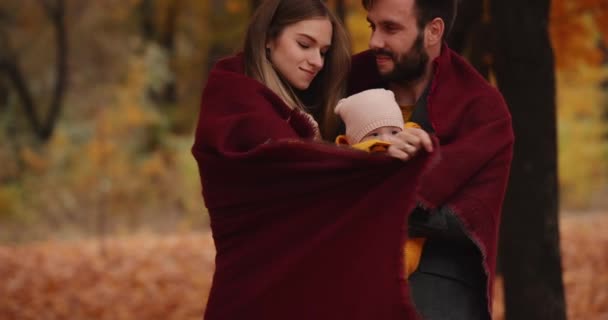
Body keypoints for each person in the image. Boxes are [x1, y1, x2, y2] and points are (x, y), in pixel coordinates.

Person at [192, 0, 435, 319]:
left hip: (289, 291)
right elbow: (301, 174)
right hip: (254, 294)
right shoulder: (239, 105)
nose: (316, 61)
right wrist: (380, 158)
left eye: (323, 51)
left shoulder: (293, 109)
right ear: (267, 38)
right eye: (304, 44)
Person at [349, 0, 514, 319]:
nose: (375, 42)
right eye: (373, 26)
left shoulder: (480, 109)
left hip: (438, 294)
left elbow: (465, 219)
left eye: (391, 28)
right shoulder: (349, 80)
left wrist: (362, 198)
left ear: (433, 31)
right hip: (344, 280)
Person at [334, 88, 428, 279]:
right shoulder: (350, 160)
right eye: (374, 135)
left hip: (406, 245)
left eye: (394, 132)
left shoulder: (414, 146)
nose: (386, 140)